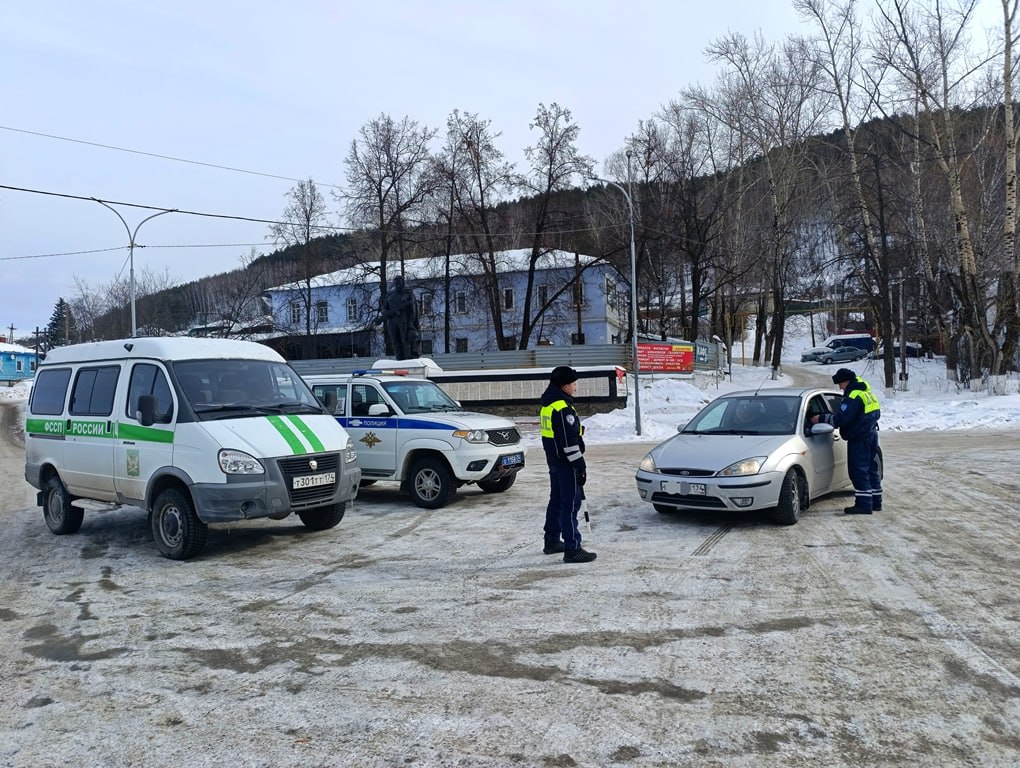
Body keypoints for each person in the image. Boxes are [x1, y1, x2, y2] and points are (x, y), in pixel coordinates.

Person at [539, 365, 596, 563]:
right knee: (571, 504)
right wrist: (579, 465)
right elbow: (567, 440)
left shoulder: (548, 405)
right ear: (564, 386)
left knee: (556, 501)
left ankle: (552, 540)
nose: (575, 388)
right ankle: (572, 548)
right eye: (573, 384)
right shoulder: (562, 408)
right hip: (566, 463)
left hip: (554, 461)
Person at [810, 368, 882, 514]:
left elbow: (841, 420)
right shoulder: (866, 393)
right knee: (871, 469)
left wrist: (820, 418)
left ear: (847, 381)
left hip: (859, 438)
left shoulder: (853, 396)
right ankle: (876, 502)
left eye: (840, 384)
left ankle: (864, 505)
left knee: (858, 471)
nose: (839, 388)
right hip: (871, 435)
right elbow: (876, 414)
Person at [375, 274, 420, 360]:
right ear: (394, 283)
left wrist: (411, 323)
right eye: (396, 282)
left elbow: (413, 310)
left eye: (400, 282)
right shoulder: (390, 294)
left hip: (404, 321)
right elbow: (384, 309)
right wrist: (389, 313)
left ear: (403, 282)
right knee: (395, 341)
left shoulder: (408, 293)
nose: (398, 283)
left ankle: (408, 358)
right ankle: (399, 358)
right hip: (392, 322)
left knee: (405, 340)